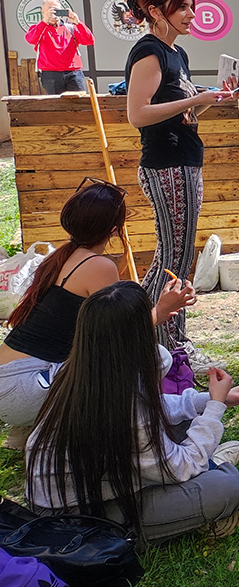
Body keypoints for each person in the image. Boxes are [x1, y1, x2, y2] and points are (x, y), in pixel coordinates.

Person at [26, 281, 239, 542]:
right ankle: (211, 472)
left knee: (186, 420)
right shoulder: (124, 403)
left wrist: (211, 399)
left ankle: (207, 468)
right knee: (228, 488)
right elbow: (179, 466)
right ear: (138, 337)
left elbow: (157, 409)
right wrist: (215, 408)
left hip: (91, 486)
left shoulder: (83, 368)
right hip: (72, 517)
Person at [0, 181, 195, 447]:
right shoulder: (99, 265)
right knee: (155, 357)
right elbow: (122, 335)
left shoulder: (59, 257)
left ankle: (33, 425)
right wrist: (162, 309)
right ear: (114, 230)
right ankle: (88, 430)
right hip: (26, 385)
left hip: (12, 381)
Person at [124, 0, 239, 353]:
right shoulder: (149, 51)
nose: (192, 15)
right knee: (175, 258)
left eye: (192, 7)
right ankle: (168, 342)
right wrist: (197, 98)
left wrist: (216, 98)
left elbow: (186, 114)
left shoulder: (177, 54)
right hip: (167, 164)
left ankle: (136, 331)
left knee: (173, 255)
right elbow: (137, 114)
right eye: (183, 8)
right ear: (157, 13)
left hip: (186, 161)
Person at [25, 0, 95, 95]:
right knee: (57, 107)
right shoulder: (39, 29)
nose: (54, 12)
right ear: (43, 12)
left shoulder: (71, 27)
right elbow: (30, 39)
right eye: (50, 9)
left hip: (73, 73)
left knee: (79, 106)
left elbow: (89, 40)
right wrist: (45, 21)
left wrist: (78, 22)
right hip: (51, 74)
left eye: (57, 10)